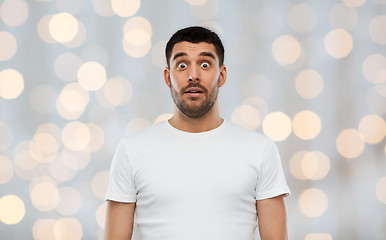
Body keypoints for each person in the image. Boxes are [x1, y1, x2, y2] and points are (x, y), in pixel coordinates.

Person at [104, 26, 290, 240]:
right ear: (168, 77)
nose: (193, 75)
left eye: (205, 64)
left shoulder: (260, 150)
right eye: (182, 65)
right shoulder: (132, 151)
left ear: (221, 76)